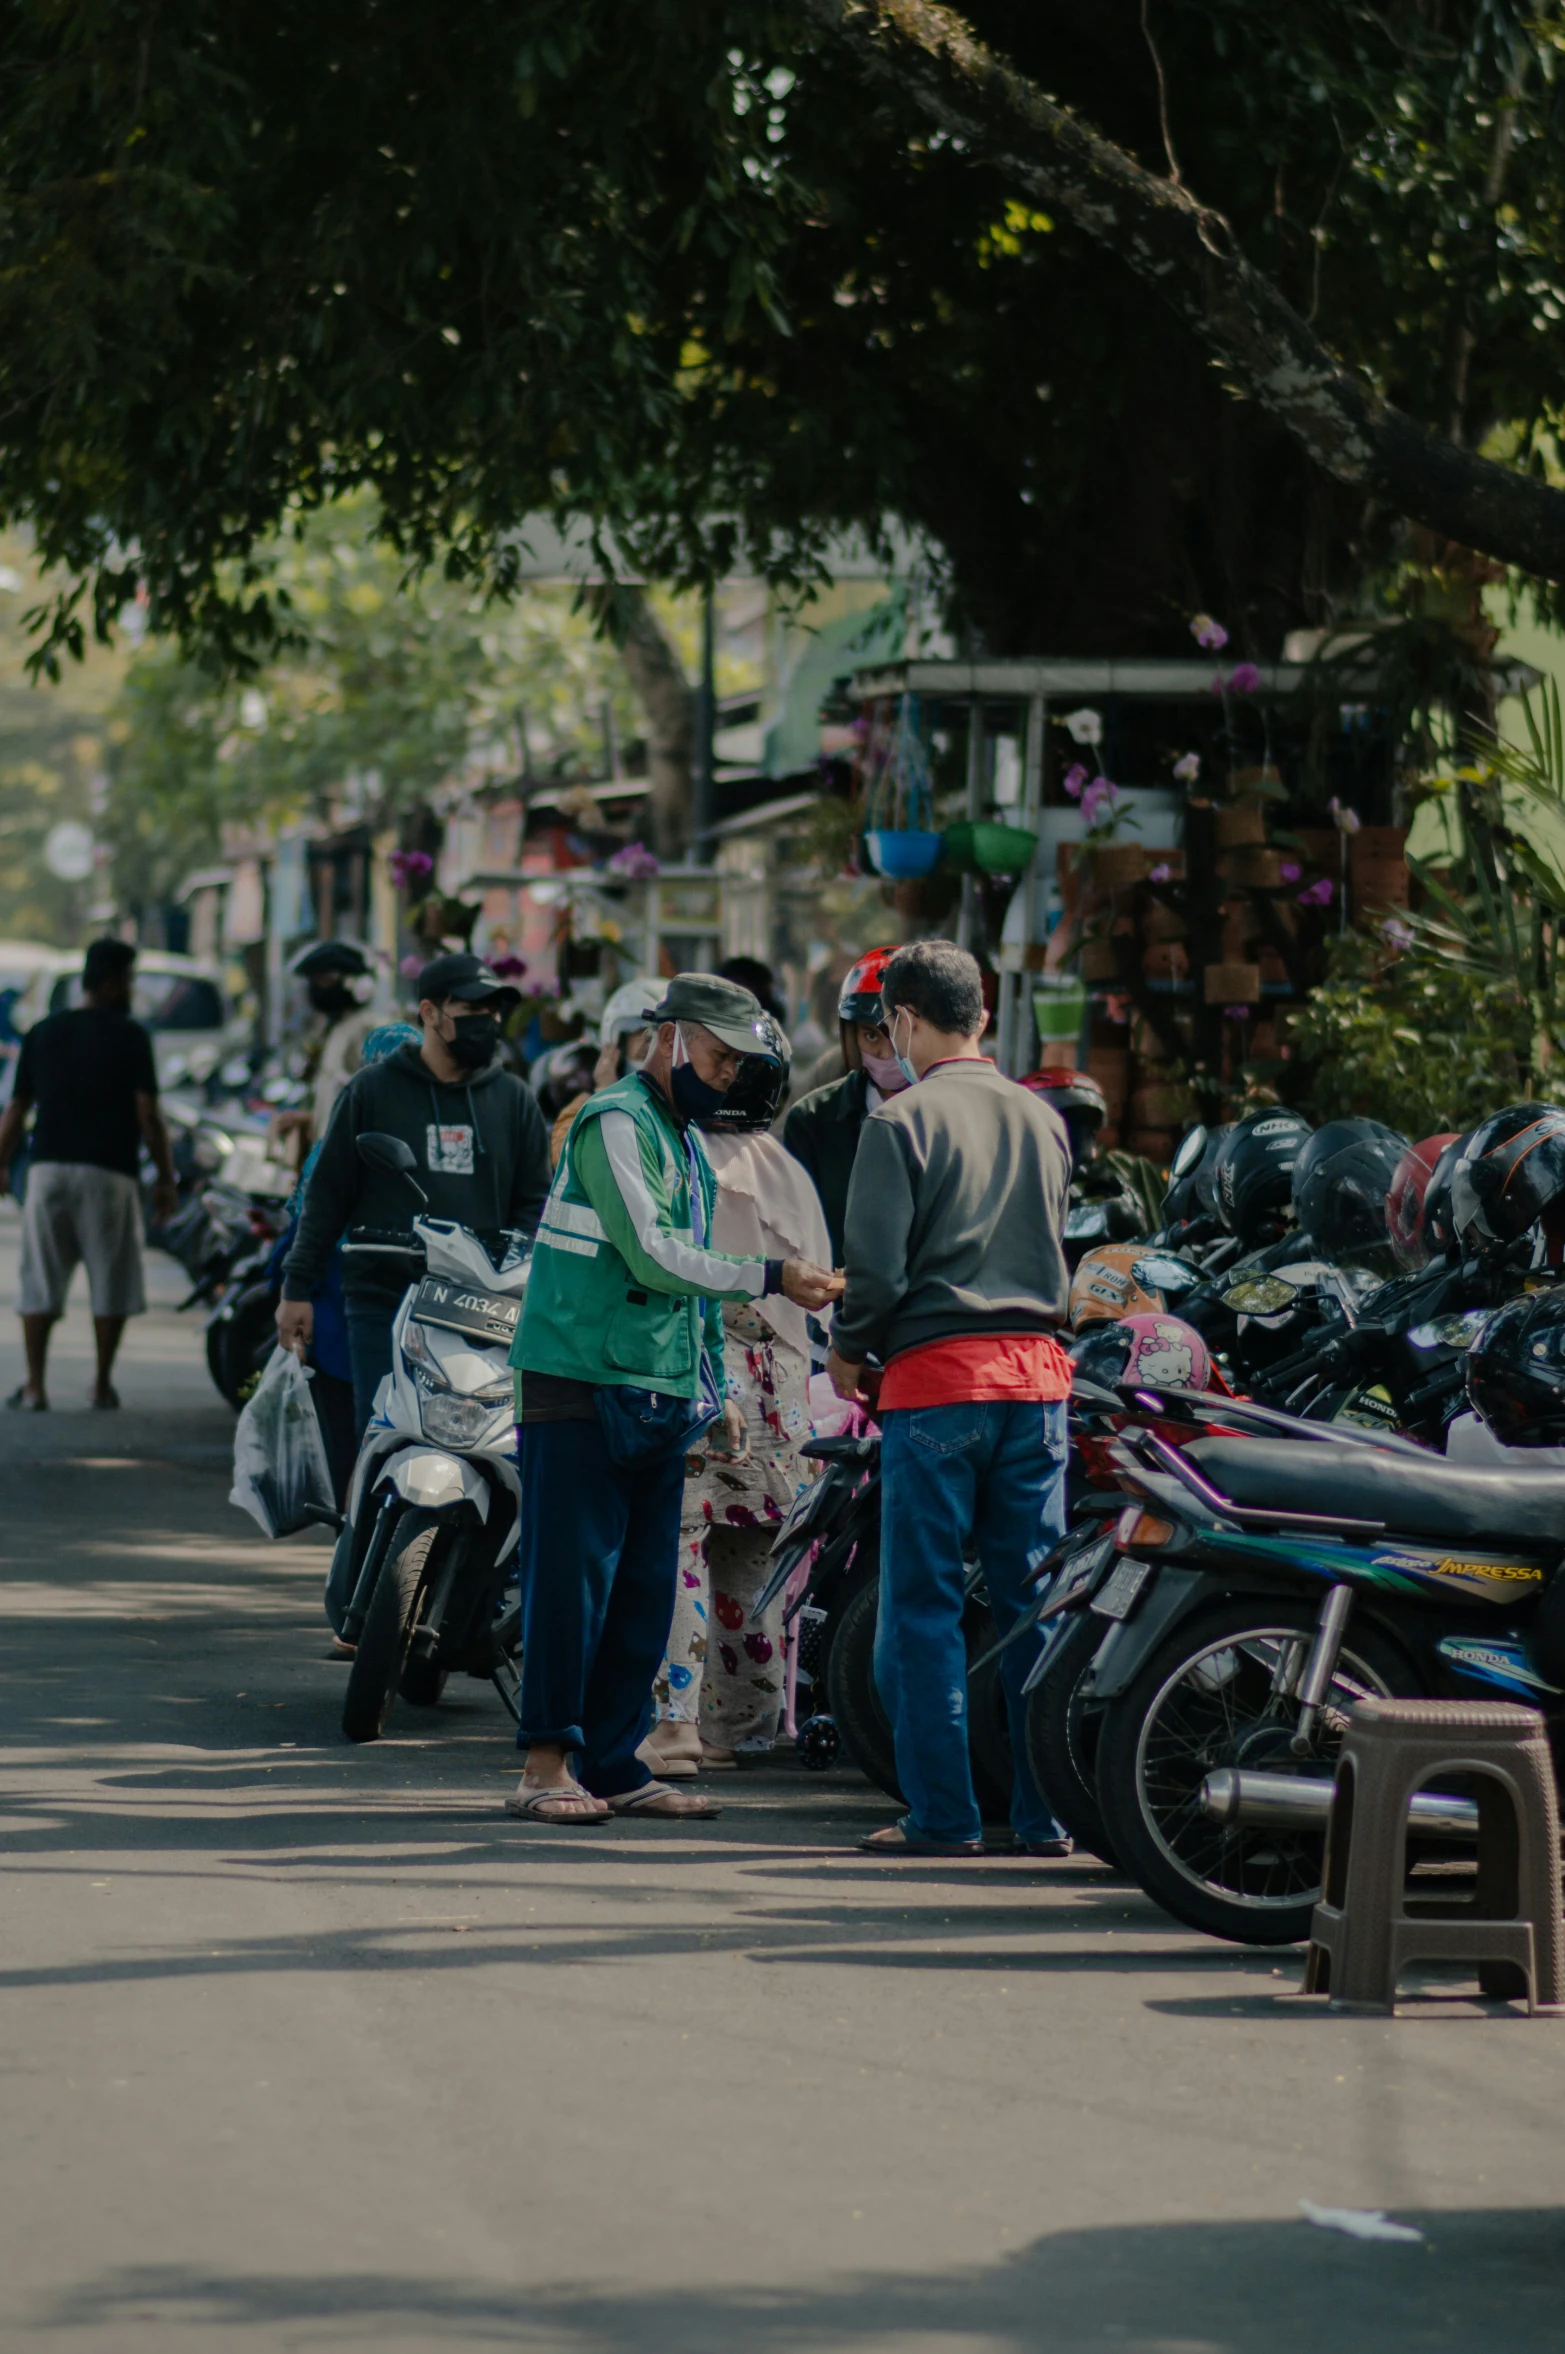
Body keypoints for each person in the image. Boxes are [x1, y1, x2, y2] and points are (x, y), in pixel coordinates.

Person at [507, 973, 841, 1824]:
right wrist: (772, 1276)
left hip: (656, 1385)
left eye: (737, 1067)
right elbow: (656, 1255)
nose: (726, 1077)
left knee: (644, 1589)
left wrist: (712, 1387)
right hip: (579, 1377)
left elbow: (686, 1286)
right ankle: (545, 1766)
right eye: (719, 1057)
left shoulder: (682, 1134)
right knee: (571, 1583)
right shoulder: (614, 1120)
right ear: (671, 1037)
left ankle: (615, 1765)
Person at [826, 938, 1075, 1858]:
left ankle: (944, 1819)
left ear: (902, 1019)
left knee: (924, 1609)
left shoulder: (899, 1123)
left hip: (937, 1387)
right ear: (983, 1013)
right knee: (1031, 1604)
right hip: (1040, 1382)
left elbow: (878, 1280)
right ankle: (1046, 1819)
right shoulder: (1041, 1119)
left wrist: (850, 1350)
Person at [643, 1015, 833, 1776]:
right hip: (780, 1388)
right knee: (755, 1558)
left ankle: (673, 1728)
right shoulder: (785, 1171)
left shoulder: (679, 1161)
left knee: (680, 1556)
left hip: (699, 1375)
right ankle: (743, 1729)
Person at [276, 953, 550, 1437]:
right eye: (471, 1010)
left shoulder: (514, 1100)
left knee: (485, 1448)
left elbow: (535, 1203)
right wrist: (296, 1290)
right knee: (381, 1439)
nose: (487, 1023)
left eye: (493, 1012)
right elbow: (327, 1196)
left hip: (482, 1311)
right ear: (428, 1012)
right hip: (384, 1298)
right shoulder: (371, 1092)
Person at [0, 937, 177, 1410]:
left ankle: (35, 1387)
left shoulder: (43, 1031)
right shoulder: (131, 1035)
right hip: (110, 1173)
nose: (131, 990)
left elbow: (16, 1109)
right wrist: (165, 1176)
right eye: (129, 980)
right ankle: (100, 1384)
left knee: (40, 1278)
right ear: (110, 982)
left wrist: (0, 1163)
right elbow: (148, 1114)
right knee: (111, 1279)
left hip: (48, 1171)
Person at [783, 945, 906, 1262]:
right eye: (871, 1036)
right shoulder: (813, 1118)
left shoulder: (950, 1115)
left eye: (898, 1035)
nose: (886, 1053)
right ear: (850, 1038)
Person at [274, 941, 381, 1151]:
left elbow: (369, 1104)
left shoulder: (364, 1029)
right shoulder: (336, 1029)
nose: (316, 987)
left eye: (324, 979)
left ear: (356, 984)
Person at [545, 976, 661, 1169]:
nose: (656, 1044)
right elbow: (569, 1162)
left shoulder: (684, 1110)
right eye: (646, 1032)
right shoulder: (581, 1107)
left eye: (668, 1036)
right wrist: (606, 1098)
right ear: (617, 1045)